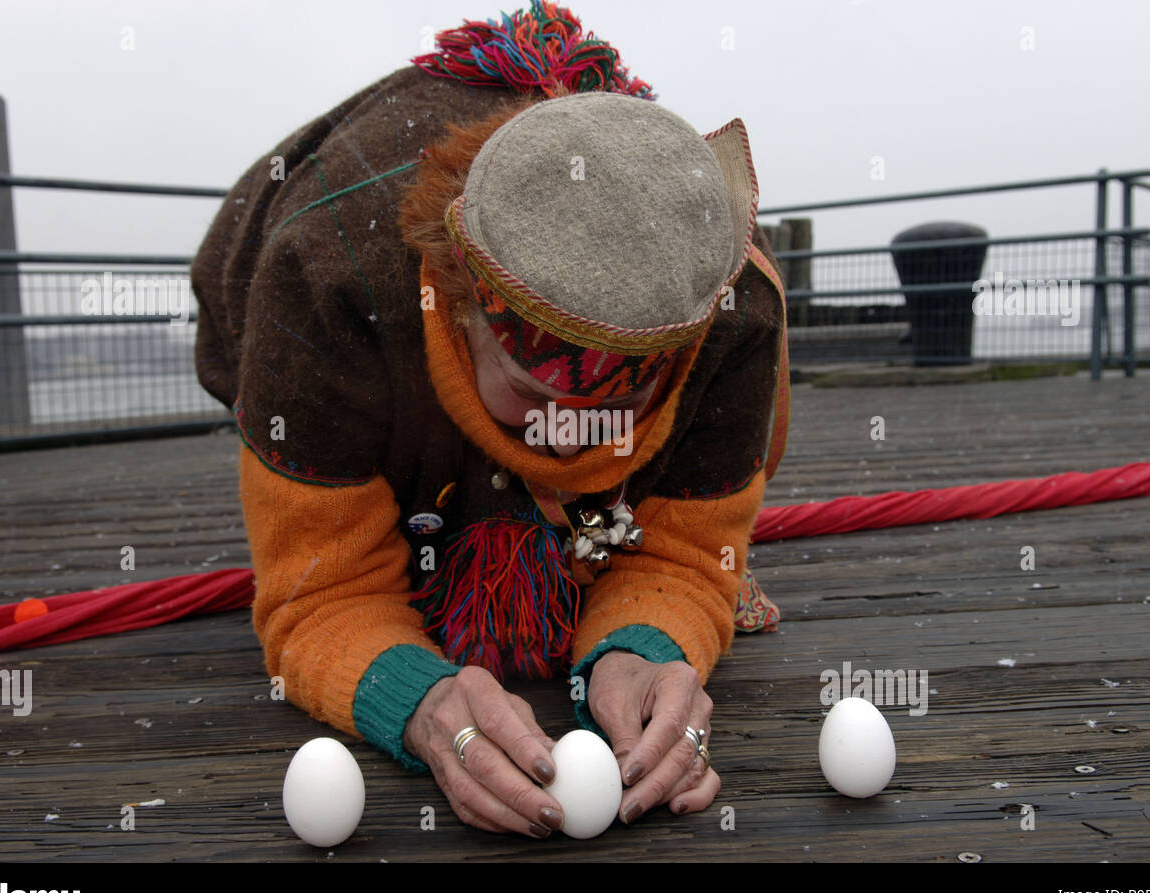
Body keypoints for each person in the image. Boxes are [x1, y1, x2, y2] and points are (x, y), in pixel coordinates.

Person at [190, 1, 787, 838]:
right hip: (310, 312)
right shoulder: (324, 280)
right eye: (536, 397)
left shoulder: (733, 312)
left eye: (617, 408)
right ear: (458, 303)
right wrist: (419, 699)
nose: (569, 436)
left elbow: (685, 553)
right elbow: (321, 588)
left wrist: (645, 643)